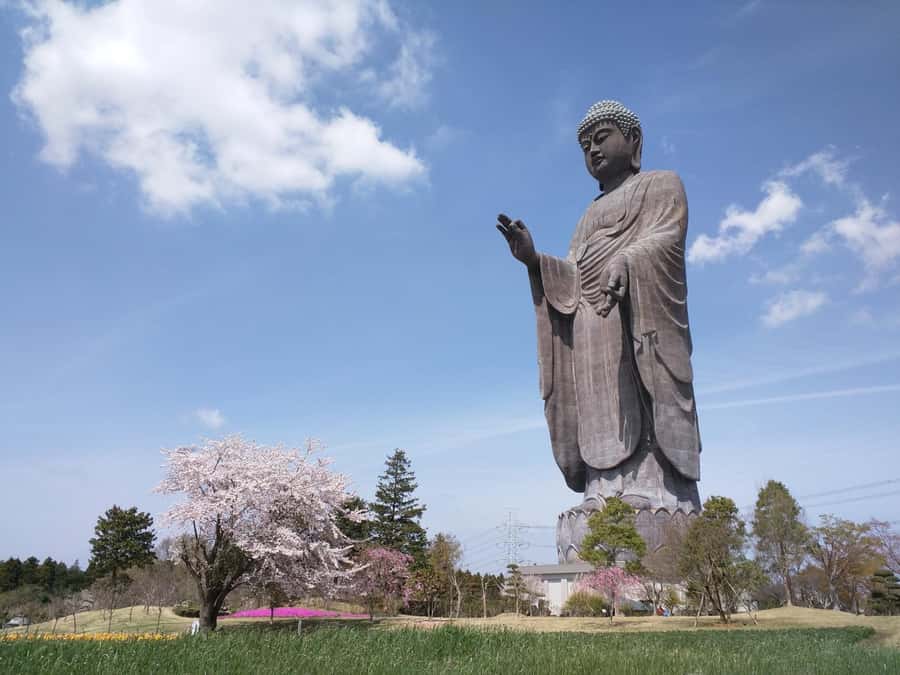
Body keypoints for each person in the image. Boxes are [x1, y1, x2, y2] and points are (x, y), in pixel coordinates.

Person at [496, 100, 702, 554]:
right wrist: (534, 259)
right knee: (595, 399)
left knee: (638, 386)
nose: (592, 149)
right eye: (585, 144)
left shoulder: (660, 185)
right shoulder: (588, 216)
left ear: (634, 141)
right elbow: (571, 272)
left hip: (637, 316)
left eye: (602, 136)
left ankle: (650, 485)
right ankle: (601, 489)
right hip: (591, 320)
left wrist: (627, 260)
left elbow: (666, 236)